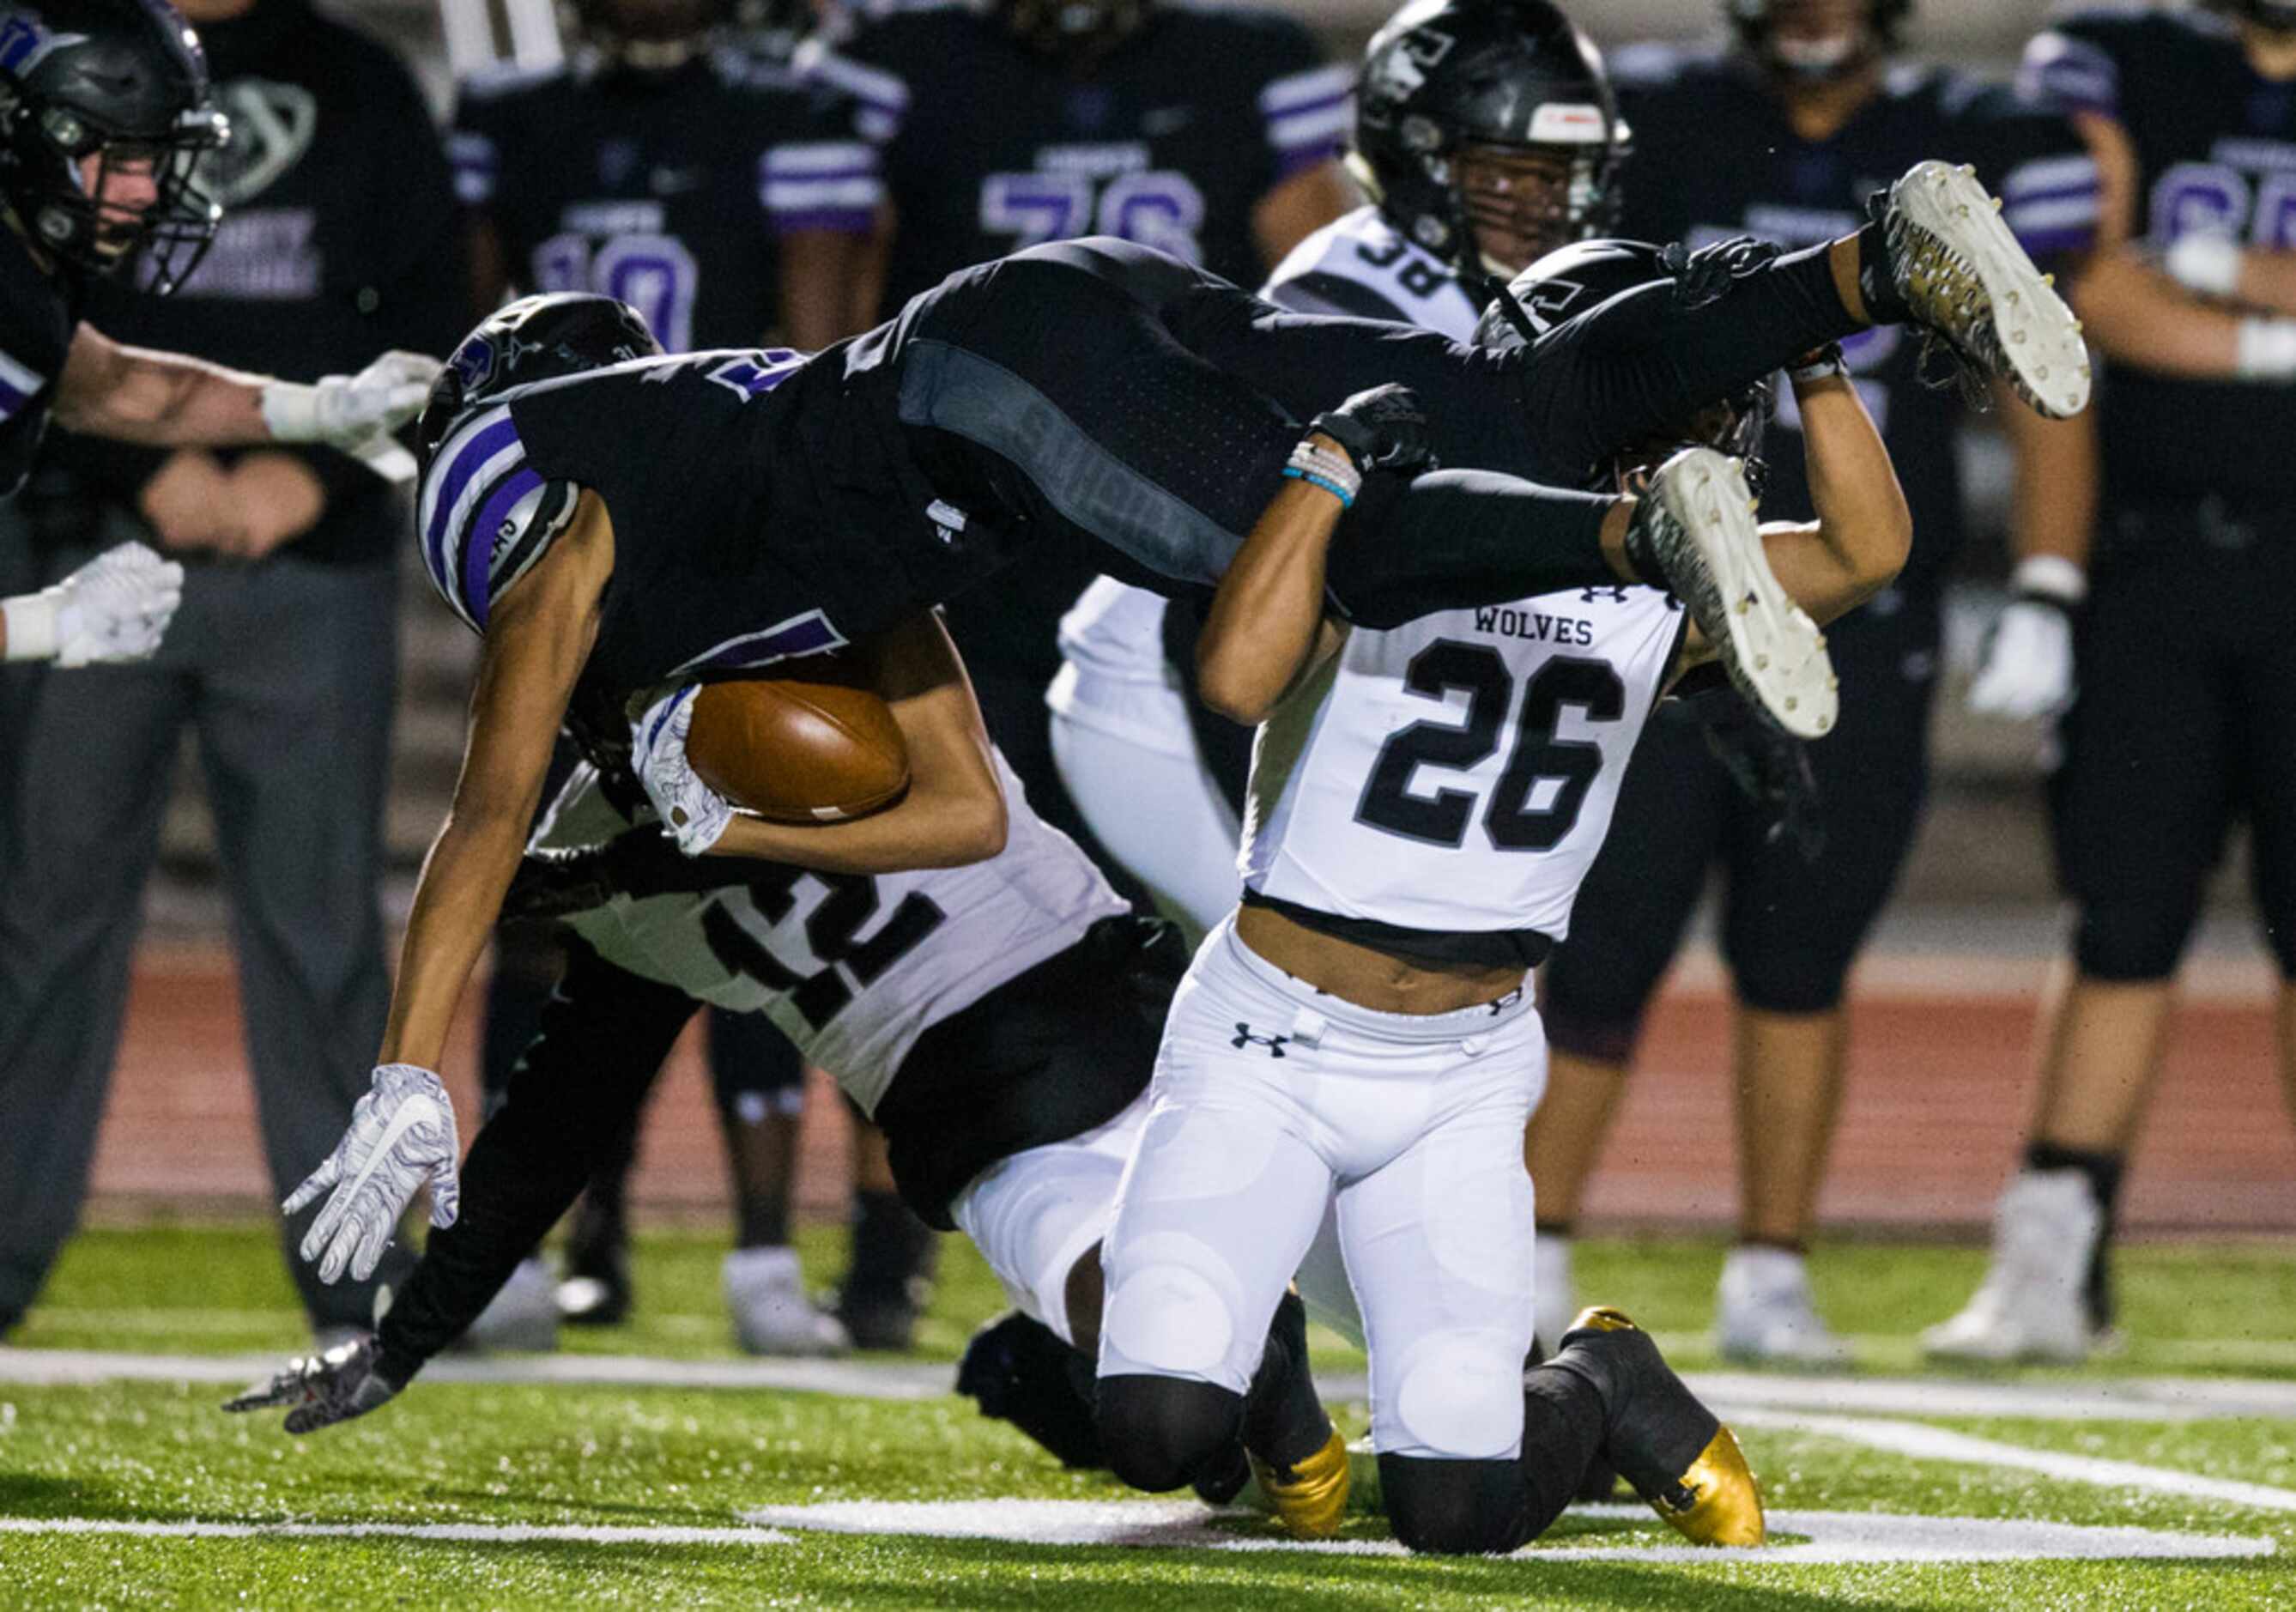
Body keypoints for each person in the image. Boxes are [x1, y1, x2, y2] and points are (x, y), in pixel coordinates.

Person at [270, 148, 2088, 1312]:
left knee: (1327, 549)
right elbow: (955, 815)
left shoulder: (573, 542)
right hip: (1034, 340)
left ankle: (1641, 533)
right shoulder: (773, 528)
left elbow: (484, 806)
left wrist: (410, 1069)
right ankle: (1862, 269)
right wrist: (714, 832)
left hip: (993, 389)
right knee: (1477, 403)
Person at [1091, 227, 1915, 1554]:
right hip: (1267, 1038)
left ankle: (1602, 1381)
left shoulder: (1667, 579)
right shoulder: (1410, 517)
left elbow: (1864, 552)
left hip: (1462, 1072)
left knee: (1457, 1508)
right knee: (1153, 1430)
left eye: (1714, 396)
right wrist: (1322, 473)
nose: (1702, 425)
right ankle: (1262, 1366)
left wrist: (1807, 351)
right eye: (1671, 390)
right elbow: (1236, 682)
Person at [1528, 0, 2102, 1364]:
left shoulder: (1966, 137)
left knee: (1801, 957)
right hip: (1656, 593)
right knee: (1597, 950)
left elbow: (2043, 359)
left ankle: (1771, 1272)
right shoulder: (1654, 118)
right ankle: (1528, 1248)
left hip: (1856, 598)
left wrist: (2045, 579)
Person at [803, 0, 1357, 1330]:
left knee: (1202, 902)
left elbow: (1318, 291)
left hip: (1166, 565)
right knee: (921, 912)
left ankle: (1233, 1234)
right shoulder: (896, 65)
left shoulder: (1247, 64)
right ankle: (894, 1241)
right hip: (959, 552)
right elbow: (821, 310)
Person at [0, 0, 462, 1341]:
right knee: (36, 921)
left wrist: (317, 415)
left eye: (160, 158)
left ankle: (354, 1275)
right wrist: (44, 626)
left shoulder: (31, 281)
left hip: (253, 560)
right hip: (90, 552)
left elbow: (125, 389)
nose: (147, 194)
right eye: (117, 159)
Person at [447, 0, 883, 1353]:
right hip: (560, 550)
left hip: (723, 561)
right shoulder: (515, 120)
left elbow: (813, 360)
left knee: (746, 899)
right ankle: (548, 1239)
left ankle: (761, 1252)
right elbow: (476, 360)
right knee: (546, 893)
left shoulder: (792, 113)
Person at [1046, 0, 1631, 935]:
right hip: (1170, 680)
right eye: (1505, 172)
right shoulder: (1347, 289)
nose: (1539, 202)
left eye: (1559, 172)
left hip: (1321, 667)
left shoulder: (1531, 291)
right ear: (1418, 160)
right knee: (1291, 970)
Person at [1925, 0, 2296, 1364]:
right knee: (2119, 914)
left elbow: (2146, 288)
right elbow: (2073, 291)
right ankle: (2050, 1251)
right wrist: (2050, 578)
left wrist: (2203, 272)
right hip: (2151, 555)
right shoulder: (2112, 54)